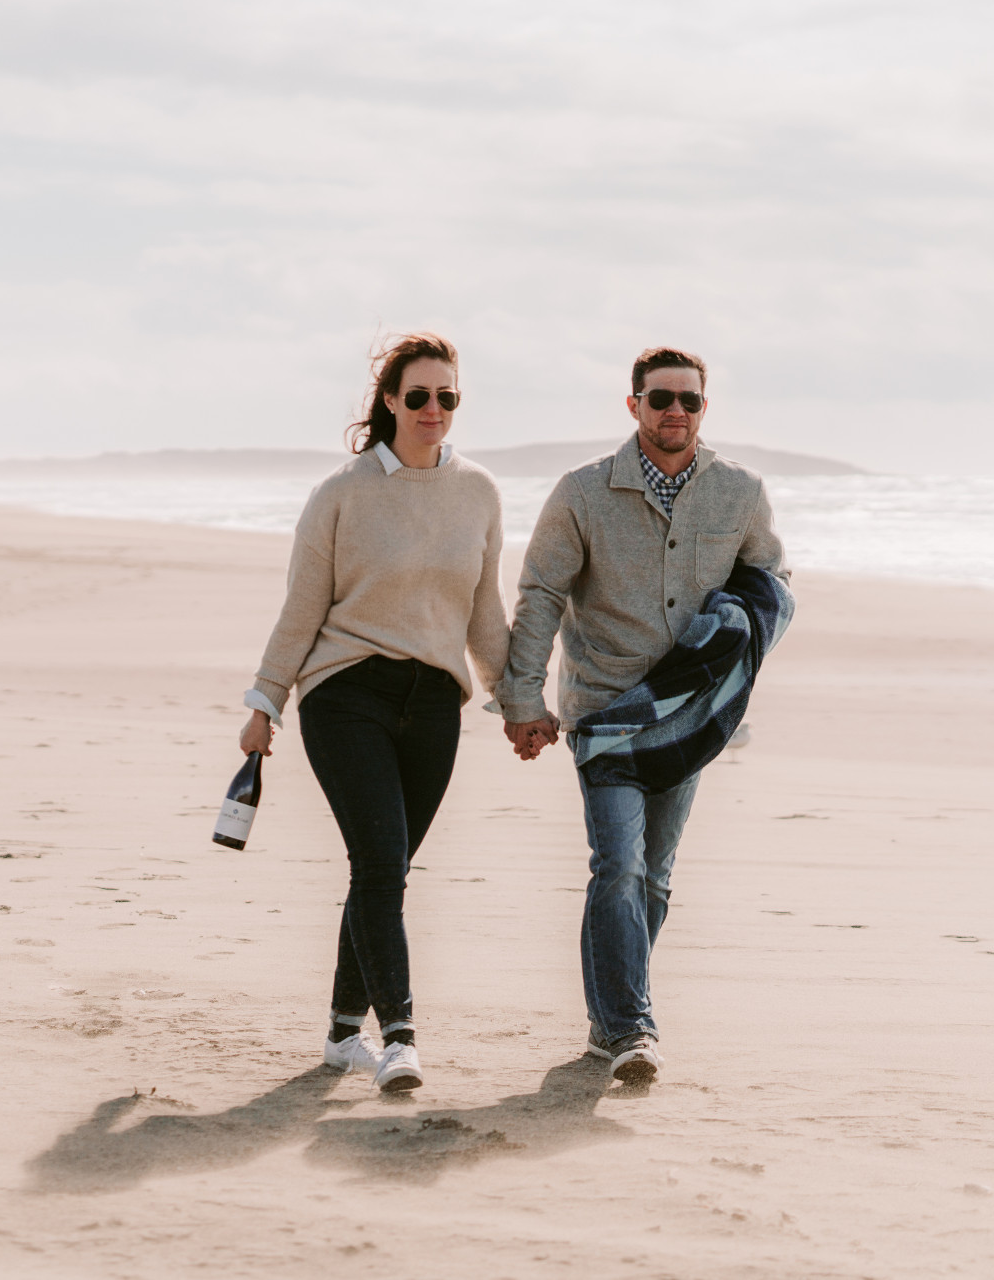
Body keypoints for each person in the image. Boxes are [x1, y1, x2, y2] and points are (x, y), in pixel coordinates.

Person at [498, 347, 788, 1085]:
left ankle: (607, 1019)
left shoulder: (740, 493)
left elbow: (771, 586)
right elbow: (540, 597)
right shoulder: (582, 493)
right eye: (661, 399)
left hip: (689, 720)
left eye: (690, 402)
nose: (675, 413)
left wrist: (732, 641)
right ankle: (631, 1028)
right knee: (619, 867)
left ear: (703, 409)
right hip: (605, 715)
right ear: (633, 406)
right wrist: (523, 700)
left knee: (654, 878)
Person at [239, 333, 509, 1094]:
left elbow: (483, 611)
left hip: (433, 706)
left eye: (447, 398)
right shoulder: (341, 494)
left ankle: (337, 1036)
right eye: (418, 396)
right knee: (382, 863)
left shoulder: (479, 493)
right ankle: (399, 1039)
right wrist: (267, 699)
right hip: (344, 693)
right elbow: (303, 607)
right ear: (389, 400)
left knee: (381, 873)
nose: (433, 410)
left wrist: (520, 701)